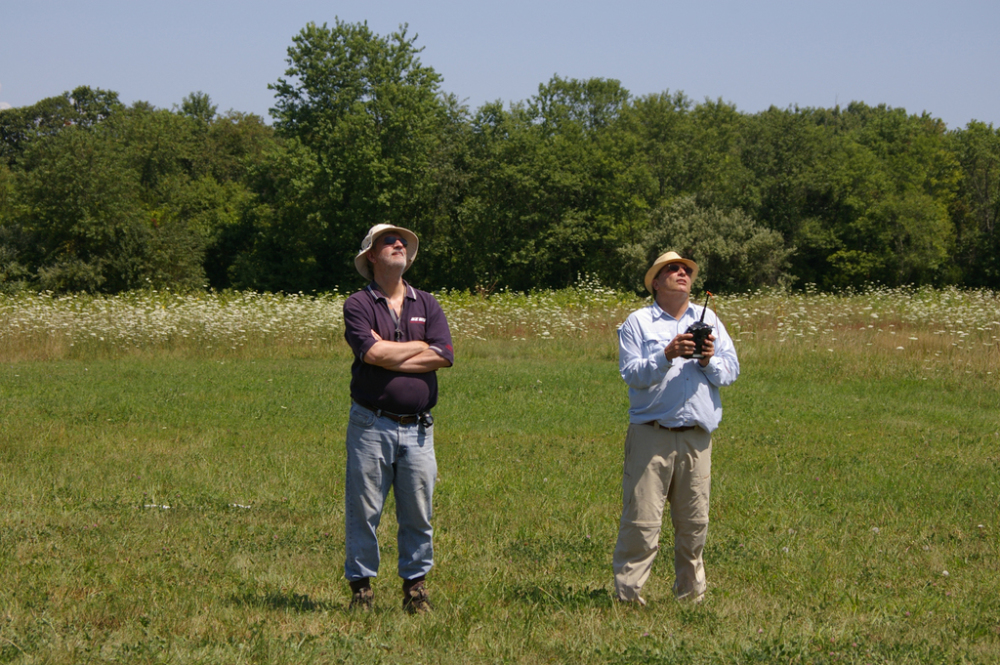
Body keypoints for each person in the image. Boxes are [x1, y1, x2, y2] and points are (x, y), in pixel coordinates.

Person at [612, 251, 740, 606]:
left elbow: (731, 371)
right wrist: (666, 354)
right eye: (672, 269)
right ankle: (628, 598)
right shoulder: (638, 323)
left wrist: (708, 359)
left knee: (694, 525)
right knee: (641, 522)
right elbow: (631, 374)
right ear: (656, 282)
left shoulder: (709, 318)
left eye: (686, 269)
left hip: (697, 439)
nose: (682, 272)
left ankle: (691, 598)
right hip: (651, 435)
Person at [341, 223, 454, 613]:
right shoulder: (358, 304)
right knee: (364, 510)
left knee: (418, 512)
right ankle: (362, 591)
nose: (399, 244)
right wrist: (418, 347)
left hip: (419, 429)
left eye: (402, 241)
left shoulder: (428, 303)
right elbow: (371, 354)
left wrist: (394, 352)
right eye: (389, 241)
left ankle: (416, 589)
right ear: (372, 255)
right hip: (371, 424)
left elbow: (444, 355)